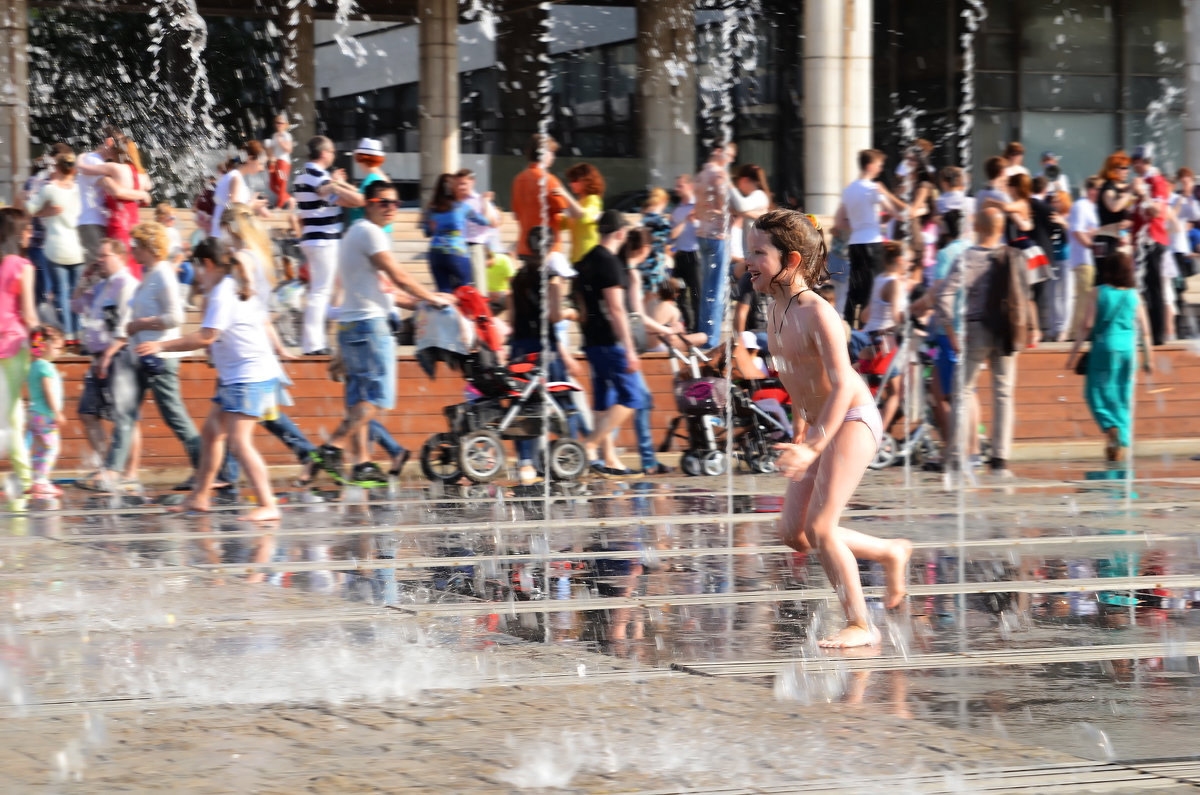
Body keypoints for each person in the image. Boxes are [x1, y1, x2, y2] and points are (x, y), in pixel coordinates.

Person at [744, 208, 911, 648]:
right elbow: (798, 376)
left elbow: (839, 386)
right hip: (819, 425)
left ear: (792, 260)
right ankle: (892, 551)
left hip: (853, 419)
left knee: (821, 527)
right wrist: (801, 431)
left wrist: (813, 445)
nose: (748, 261)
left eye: (758, 252)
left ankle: (861, 623)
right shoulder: (776, 309)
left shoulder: (818, 313)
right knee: (793, 534)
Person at [309, 181, 452, 487]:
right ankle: (332, 448)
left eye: (396, 203)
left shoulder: (355, 233)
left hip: (352, 325)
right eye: (384, 202)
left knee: (359, 400)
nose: (391, 208)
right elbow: (397, 275)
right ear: (368, 203)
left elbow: (384, 291)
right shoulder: (370, 233)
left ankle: (361, 464)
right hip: (370, 327)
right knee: (376, 399)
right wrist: (431, 296)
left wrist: (419, 303)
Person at [136, 240, 281, 522]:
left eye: (198, 267)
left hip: (249, 375)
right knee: (212, 433)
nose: (197, 274)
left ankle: (268, 503)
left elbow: (206, 337)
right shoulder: (230, 286)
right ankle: (200, 496)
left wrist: (161, 346)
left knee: (239, 442)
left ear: (208, 265)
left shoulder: (224, 293)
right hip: (238, 375)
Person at [98, 221, 199, 492]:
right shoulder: (150, 272)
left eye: (137, 247)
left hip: (160, 358)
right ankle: (112, 471)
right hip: (141, 356)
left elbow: (176, 317)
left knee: (174, 415)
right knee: (125, 412)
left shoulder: (163, 273)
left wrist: (141, 324)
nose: (133, 252)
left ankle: (207, 467)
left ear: (150, 248)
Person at [937, 207, 1037, 478]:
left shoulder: (966, 257)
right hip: (1006, 330)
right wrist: (1032, 327)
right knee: (1003, 393)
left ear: (978, 227)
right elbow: (1026, 294)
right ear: (1001, 227)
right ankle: (999, 460)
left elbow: (944, 296)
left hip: (976, 329)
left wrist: (951, 331)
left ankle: (957, 455)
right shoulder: (1013, 256)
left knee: (962, 390)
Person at [573, 210, 644, 477]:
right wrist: (628, 348)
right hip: (611, 341)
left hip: (591, 341)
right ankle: (589, 445)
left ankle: (609, 459)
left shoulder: (586, 260)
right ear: (619, 233)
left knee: (604, 402)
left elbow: (580, 305)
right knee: (632, 396)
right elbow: (616, 309)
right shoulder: (610, 263)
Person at [1066, 251, 1154, 462]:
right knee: (1123, 397)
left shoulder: (1097, 292)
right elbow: (1146, 331)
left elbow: (1086, 325)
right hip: (1128, 351)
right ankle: (1120, 444)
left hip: (1104, 347)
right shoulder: (1134, 295)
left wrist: (1073, 354)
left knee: (1094, 392)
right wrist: (1148, 359)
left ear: (1108, 270)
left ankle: (1110, 427)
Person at [70, 238, 140, 492]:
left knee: (125, 418)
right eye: (98, 256)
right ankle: (107, 467)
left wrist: (110, 354)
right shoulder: (102, 287)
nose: (99, 260)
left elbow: (127, 326)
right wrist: (83, 280)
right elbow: (76, 305)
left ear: (120, 257)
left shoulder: (127, 284)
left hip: (119, 356)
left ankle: (129, 474)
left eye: (104, 256)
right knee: (87, 413)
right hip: (100, 356)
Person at [507, 226, 568, 483]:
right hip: (544, 350)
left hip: (520, 347)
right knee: (560, 401)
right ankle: (564, 457)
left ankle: (525, 463)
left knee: (523, 404)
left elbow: (511, 319)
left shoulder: (517, 278)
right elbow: (555, 316)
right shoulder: (552, 278)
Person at [293, 135, 363, 355]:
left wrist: (335, 185)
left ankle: (317, 339)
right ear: (323, 154)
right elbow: (336, 194)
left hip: (315, 238)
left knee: (321, 291)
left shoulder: (302, 175)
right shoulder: (317, 175)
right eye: (332, 151)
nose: (333, 155)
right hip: (323, 240)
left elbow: (335, 198)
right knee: (320, 292)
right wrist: (337, 183)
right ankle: (313, 344)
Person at [835, 149, 906, 328]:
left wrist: (861, 225)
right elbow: (896, 212)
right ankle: (870, 327)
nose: (880, 169)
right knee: (873, 286)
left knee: (855, 287)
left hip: (855, 243)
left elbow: (839, 221)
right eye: (879, 166)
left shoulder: (849, 190)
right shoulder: (873, 189)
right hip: (873, 242)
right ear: (870, 166)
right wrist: (887, 195)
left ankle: (849, 327)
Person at [74, 128, 151, 277]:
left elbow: (82, 168)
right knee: (131, 269)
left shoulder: (114, 168)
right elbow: (147, 193)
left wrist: (81, 156)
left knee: (114, 269)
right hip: (134, 226)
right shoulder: (142, 175)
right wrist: (142, 194)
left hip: (118, 224)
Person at [27, 152, 84, 345]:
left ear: (57, 168)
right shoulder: (78, 188)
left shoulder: (50, 189)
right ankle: (79, 334)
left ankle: (68, 336)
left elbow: (29, 209)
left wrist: (46, 212)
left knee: (61, 293)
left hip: (55, 247)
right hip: (76, 248)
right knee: (76, 293)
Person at [0, 208, 38, 496]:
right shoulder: (23, 267)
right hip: (13, 347)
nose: (31, 234)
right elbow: (29, 314)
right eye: (26, 229)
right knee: (12, 413)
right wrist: (40, 341)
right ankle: (23, 479)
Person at [422, 173, 494, 292]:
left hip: (435, 254)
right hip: (456, 253)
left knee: (445, 293)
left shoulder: (431, 209)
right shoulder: (462, 207)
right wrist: (486, 201)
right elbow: (484, 221)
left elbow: (427, 232)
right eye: (458, 185)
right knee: (465, 291)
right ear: (454, 188)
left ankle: (448, 310)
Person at [1130, 146, 1172, 346]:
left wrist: (1142, 194)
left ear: (1144, 161)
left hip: (1153, 240)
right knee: (1144, 288)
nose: (1133, 165)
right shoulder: (1143, 181)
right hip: (1142, 241)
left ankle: (1158, 336)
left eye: (1136, 160)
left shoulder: (1156, 180)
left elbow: (1158, 212)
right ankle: (1149, 335)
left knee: (1154, 288)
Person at [694, 142, 734, 347]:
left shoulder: (700, 175)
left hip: (702, 235)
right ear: (718, 151)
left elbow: (699, 208)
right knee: (716, 290)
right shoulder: (719, 175)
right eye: (729, 154)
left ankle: (704, 333)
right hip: (718, 236)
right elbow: (726, 205)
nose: (731, 159)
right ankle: (710, 339)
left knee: (707, 289)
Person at [511, 134, 569, 265]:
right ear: (544, 153)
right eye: (552, 152)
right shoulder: (549, 180)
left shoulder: (518, 180)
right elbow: (563, 210)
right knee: (556, 281)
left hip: (526, 244)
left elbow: (516, 214)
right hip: (548, 246)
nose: (553, 157)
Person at [25, 326, 65, 498]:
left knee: (41, 449)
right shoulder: (45, 367)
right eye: (56, 348)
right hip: (45, 415)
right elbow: (48, 390)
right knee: (52, 448)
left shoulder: (33, 366)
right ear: (45, 346)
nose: (59, 352)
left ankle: (35, 481)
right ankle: (41, 482)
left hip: (34, 413)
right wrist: (57, 412)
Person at [211, 141, 270, 238]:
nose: (262, 168)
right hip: (225, 240)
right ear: (250, 159)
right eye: (261, 163)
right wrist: (252, 205)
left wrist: (254, 208)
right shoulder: (236, 179)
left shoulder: (232, 176)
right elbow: (233, 213)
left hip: (221, 237)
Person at [457, 168, 500, 295]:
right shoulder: (454, 202)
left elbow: (494, 222)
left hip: (475, 246)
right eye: (458, 184)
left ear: (472, 182)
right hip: (457, 247)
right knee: (460, 287)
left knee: (478, 286)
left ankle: (480, 312)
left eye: (463, 183)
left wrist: (486, 203)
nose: (460, 187)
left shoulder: (480, 200)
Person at [1068, 177, 1101, 338]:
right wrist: (1092, 245)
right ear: (1092, 190)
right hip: (1083, 259)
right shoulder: (1081, 206)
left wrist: (1094, 234)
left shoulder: (1094, 207)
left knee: (1089, 297)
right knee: (1085, 296)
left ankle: (1081, 332)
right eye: (1099, 189)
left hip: (1092, 260)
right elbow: (1077, 231)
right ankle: (1078, 333)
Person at [1168, 169, 1199, 338]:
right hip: (1168, 251)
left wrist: (1188, 196)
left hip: (1178, 252)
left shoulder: (1186, 200)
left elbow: (1195, 215)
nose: (1185, 185)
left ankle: (1177, 329)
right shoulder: (1171, 199)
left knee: (1178, 290)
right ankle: (1171, 328)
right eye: (1183, 181)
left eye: (1188, 182)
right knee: (1171, 291)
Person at [556, 162, 605, 265]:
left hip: (590, 260)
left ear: (586, 181)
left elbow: (583, 216)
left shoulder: (593, 200)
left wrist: (565, 194)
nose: (570, 184)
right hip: (576, 260)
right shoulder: (578, 203)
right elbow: (563, 224)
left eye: (574, 180)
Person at [669, 174, 701, 332]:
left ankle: (698, 327)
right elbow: (672, 234)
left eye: (680, 186)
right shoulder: (677, 210)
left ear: (689, 186)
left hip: (695, 255)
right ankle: (689, 324)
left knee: (696, 293)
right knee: (679, 293)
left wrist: (694, 221)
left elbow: (705, 229)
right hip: (680, 255)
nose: (676, 189)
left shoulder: (698, 206)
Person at [728, 163, 772, 275]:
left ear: (744, 180)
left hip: (757, 254)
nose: (737, 185)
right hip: (752, 255)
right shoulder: (756, 197)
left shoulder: (759, 195)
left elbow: (741, 206)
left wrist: (730, 186)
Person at [1094, 151, 1134, 261]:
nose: (1127, 171)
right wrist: (1130, 192)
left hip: (1113, 238)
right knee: (1105, 275)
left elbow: (1124, 206)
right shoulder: (1108, 188)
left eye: (1127, 167)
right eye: (1124, 168)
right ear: (1114, 169)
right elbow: (1114, 207)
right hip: (1105, 239)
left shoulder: (1116, 188)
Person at [345, 138, 391, 230]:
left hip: (371, 232)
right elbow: (362, 194)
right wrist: (342, 184)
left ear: (362, 158)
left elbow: (361, 199)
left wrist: (335, 188)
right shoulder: (379, 176)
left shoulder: (373, 178)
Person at [1045, 190, 1073, 341]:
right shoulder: (1048, 217)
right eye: (1051, 201)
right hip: (1051, 258)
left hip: (1066, 257)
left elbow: (1073, 235)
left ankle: (1064, 329)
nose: (1054, 204)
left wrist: (1063, 222)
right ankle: (1053, 328)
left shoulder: (1069, 215)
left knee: (1066, 294)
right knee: (1052, 294)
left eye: (1057, 200)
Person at [639, 188, 674, 294]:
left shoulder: (644, 219)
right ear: (664, 202)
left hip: (643, 262)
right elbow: (671, 236)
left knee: (644, 296)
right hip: (656, 264)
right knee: (655, 296)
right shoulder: (662, 222)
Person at [267, 114, 294, 208]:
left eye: (280, 123)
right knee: (272, 185)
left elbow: (289, 150)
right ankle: (289, 198)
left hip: (284, 162)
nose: (278, 125)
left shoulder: (287, 135)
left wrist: (281, 142)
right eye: (276, 122)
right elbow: (272, 151)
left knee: (282, 184)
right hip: (275, 162)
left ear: (286, 124)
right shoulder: (274, 135)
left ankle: (279, 206)